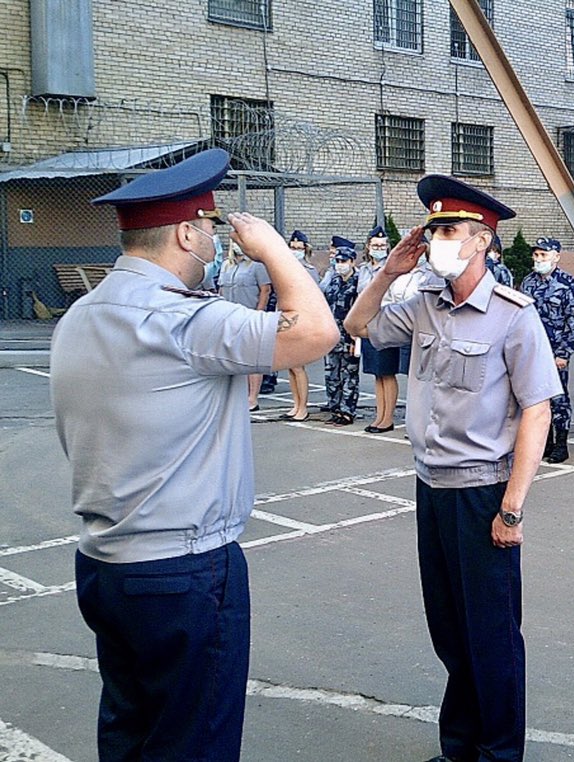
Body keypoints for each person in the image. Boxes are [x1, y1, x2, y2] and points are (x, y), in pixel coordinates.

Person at [49, 148, 338, 761]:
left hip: (106, 564)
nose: (213, 240)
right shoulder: (187, 321)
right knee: (193, 742)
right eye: (207, 227)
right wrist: (274, 250)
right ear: (185, 232)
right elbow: (317, 330)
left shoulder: (78, 316)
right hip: (184, 570)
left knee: (131, 734)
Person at [344, 175, 561, 762]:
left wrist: (512, 507)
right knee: (449, 630)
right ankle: (459, 746)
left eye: (448, 230)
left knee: (490, 634)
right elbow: (357, 327)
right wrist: (389, 271)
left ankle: (497, 753)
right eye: (433, 228)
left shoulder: (514, 316)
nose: (436, 238)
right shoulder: (421, 306)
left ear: (481, 242)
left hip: (483, 491)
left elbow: (536, 411)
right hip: (431, 486)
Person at [520, 237, 574, 463]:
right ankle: (544, 442)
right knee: (535, 397)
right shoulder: (528, 282)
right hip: (531, 351)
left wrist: (564, 353)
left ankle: (561, 444)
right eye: (536, 255)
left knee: (558, 398)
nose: (538, 259)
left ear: (556, 256)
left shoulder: (568, 284)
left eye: (543, 255)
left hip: (555, 352)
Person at [357, 224, 402, 433]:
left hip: (385, 322)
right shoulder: (364, 269)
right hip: (367, 323)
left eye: (383, 245)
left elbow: (393, 298)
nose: (379, 248)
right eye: (375, 245)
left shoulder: (390, 269)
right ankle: (379, 415)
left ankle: (388, 418)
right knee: (376, 372)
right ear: (368, 246)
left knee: (387, 371)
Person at [219, 239, 273, 411]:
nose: (236, 245)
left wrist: (259, 313)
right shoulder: (227, 265)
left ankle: (252, 398)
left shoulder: (256, 265)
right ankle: (236, 395)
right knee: (232, 358)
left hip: (250, 316)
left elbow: (265, 290)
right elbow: (221, 290)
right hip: (229, 318)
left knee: (252, 359)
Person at [277, 229, 320, 422]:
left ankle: (303, 407)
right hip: (284, 319)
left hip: (300, 319)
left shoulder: (308, 271)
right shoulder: (283, 267)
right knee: (290, 366)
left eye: (298, 248)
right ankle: (295, 404)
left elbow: (313, 298)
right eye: (292, 247)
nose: (295, 251)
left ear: (305, 250)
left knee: (298, 366)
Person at [320, 236, 361, 425]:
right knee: (331, 375)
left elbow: (359, 312)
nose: (340, 264)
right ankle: (334, 407)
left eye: (343, 261)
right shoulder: (333, 281)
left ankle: (347, 411)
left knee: (349, 376)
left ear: (352, 261)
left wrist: (356, 340)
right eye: (337, 261)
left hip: (349, 337)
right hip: (332, 336)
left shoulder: (358, 282)